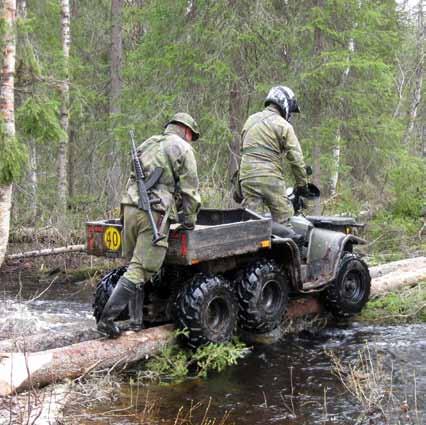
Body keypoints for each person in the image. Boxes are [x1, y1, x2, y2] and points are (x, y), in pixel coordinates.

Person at [97, 113, 201, 338]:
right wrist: (189, 221)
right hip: (153, 212)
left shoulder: (147, 144)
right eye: (192, 135)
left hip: (129, 208)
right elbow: (190, 191)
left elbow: (134, 178)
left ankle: (135, 323)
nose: (191, 140)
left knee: (133, 264)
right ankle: (107, 320)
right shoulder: (182, 148)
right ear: (186, 131)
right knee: (142, 268)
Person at [239, 85, 309, 224]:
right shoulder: (283, 125)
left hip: (246, 177)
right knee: (287, 222)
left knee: (251, 224)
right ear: (285, 104)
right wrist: (303, 186)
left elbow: (244, 149)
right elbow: (296, 159)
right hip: (270, 178)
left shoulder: (250, 120)